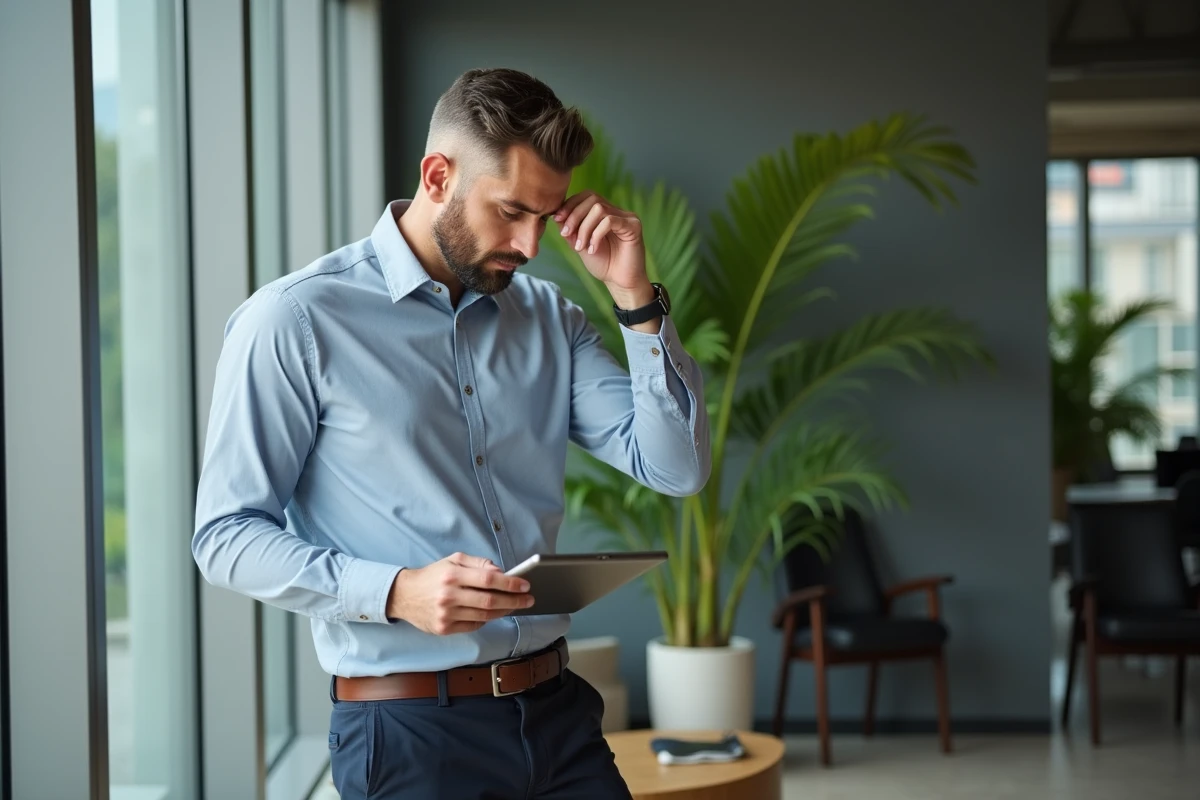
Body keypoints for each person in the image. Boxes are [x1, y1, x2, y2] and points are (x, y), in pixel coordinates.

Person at [192, 67, 711, 799]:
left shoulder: (549, 318)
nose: (532, 245)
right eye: (510, 212)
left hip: (558, 715)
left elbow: (676, 468)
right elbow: (224, 536)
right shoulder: (295, 322)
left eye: (547, 216)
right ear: (438, 174)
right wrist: (394, 591)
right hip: (408, 735)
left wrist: (634, 299)